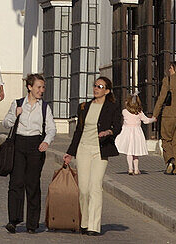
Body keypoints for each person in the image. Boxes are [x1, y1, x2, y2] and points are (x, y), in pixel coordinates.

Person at [63, 74, 122, 237]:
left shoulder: (112, 107)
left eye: (100, 87)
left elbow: (118, 126)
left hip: (100, 150)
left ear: (107, 91)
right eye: (95, 86)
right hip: (83, 149)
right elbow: (78, 131)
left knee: (95, 186)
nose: (96, 89)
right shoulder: (84, 107)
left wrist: (109, 132)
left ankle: (94, 226)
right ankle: (85, 222)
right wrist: (70, 152)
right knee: (83, 189)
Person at [3, 73, 56, 235]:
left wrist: (46, 141)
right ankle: (14, 220)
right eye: (38, 87)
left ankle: (32, 224)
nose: (41, 90)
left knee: (32, 184)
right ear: (29, 87)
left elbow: (51, 128)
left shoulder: (45, 107)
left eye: (43, 87)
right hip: (19, 144)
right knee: (16, 182)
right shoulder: (18, 103)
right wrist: (15, 115)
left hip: (35, 146)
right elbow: (6, 124)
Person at [114, 93, 155, 175]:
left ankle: (130, 169)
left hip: (127, 132)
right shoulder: (139, 112)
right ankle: (136, 169)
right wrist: (153, 119)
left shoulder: (124, 111)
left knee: (129, 152)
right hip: (136, 133)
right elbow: (146, 121)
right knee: (135, 152)